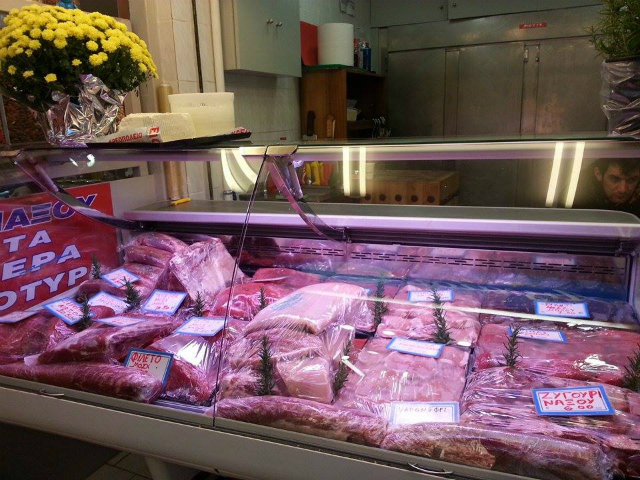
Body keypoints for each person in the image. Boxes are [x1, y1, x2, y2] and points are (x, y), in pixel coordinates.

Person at [574, 158, 640, 216]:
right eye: (614, 179)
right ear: (598, 174)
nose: (623, 189)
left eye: (631, 180)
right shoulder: (577, 196)